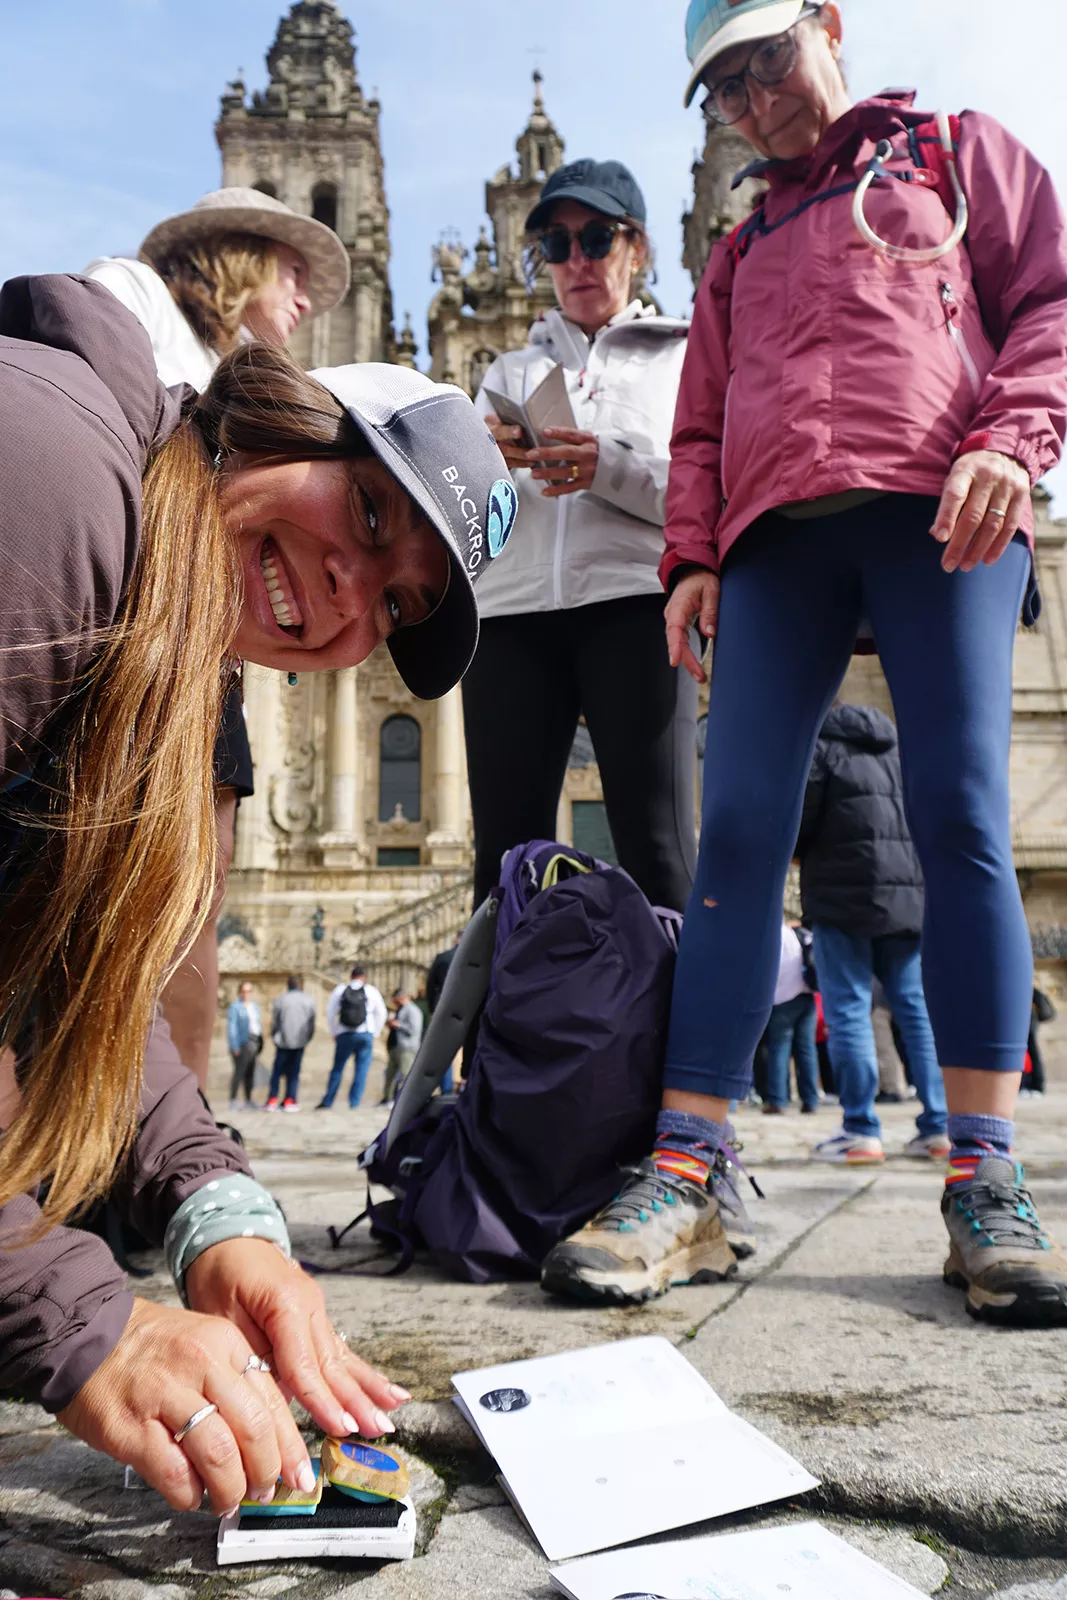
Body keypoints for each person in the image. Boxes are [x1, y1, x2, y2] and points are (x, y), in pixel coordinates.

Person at [542, 0, 1067, 1324]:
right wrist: (690, 558)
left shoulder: (952, 150)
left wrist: (1012, 435)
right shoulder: (737, 247)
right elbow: (701, 419)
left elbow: (1045, 299)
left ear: (825, 24)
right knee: (732, 837)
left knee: (954, 815)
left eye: (764, 64)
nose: (752, 102)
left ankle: (981, 1177)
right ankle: (684, 1171)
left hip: (937, 506)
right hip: (773, 541)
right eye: (721, 90)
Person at [0, 270, 512, 1511]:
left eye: (394, 607)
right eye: (374, 513)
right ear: (284, 413)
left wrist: (214, 1210)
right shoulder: (58, 477)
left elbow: (82, 993)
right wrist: (71, 1312)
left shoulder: (172, 644)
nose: (354, 593)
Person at [85, 187, 350, 1093]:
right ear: (241, 256)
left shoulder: (247, 373)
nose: (306, 301)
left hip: (205, 658)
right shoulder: (129, 298)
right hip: (113, 635)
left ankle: (182, 1124)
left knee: (197, 895)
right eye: (293, 274)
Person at [466, 159, 697, 913]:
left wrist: (606, 468)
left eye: (595, 238)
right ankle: (502, 1033)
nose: (576, 262)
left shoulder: (686, 358)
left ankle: (682, 1034)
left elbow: (704, 501)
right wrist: (481, 460)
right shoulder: (505, 364)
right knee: (501, 865)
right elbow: (464, 513)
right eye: (555, 247)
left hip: (635, 609)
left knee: (658, 848)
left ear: (637, 248)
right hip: (507, 619)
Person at [796, 705, 948, 1163]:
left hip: (842, 897)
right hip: (908, 899)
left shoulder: (822, 752)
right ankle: (940, 1125)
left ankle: (860, 1128)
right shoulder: (901, 752)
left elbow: (799, 823)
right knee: (917, 1011)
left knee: (848, 1010)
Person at [762, 922, 820, 1115]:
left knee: (779, 1049)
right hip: (806, 993)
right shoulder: (796, 934)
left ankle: (778, 1100)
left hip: (783, 997)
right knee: (807, 1050)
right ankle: (810, 1100)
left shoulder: (770, 933)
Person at [319, 965, 387, 1109]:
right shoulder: (371, 991)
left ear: (351, 976)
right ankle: (354, 1102)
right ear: (364, 977)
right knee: (361, 1070)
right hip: (365, 1033)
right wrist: (376, 1032)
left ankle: (328, 1100)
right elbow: (382, 1013)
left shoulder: (341, 990)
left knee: (338, 1068)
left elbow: (330, 1012)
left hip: (344, 1033)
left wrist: (334, 1031)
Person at [266, 976, 316, 1112]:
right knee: (294, 1072)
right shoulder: (309, 1001)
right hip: (299, 1041)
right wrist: (307, 1038)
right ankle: (289, 1099)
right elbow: (311, 1024)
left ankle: (272, 1099)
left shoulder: (281, 999)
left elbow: (275, 1022)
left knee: (277, 1072)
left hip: (282, 1041)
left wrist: (274, 1036)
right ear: (301, 985)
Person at [382, 986, 425, 1104]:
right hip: (396, 1047)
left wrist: (398, 1024)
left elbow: (414, 1029)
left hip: (407, 1048)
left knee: (407, 1075)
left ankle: (408, 1101)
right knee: (389, 1075)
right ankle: (388, 1098)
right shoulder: (400, 1009)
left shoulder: (412, 1010)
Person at [226, 981, 263, 1111]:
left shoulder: (255, 1007)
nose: (246, 994)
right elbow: (232, 1028)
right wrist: (234, 1046)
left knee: (250, 1072)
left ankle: (248, 1099)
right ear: (240, 992)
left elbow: (258, 1025)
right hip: (242, 1042)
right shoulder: (236, 1007)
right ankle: (233, 1099)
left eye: (249, 991)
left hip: (254, 1042)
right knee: (239, 1072)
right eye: (244, 991)